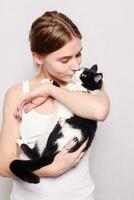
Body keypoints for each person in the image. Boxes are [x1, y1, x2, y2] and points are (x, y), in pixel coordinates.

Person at [0, 11, 110, 200]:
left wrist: (50, 90)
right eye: (65, 60)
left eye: (78, 54)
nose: (76, 65)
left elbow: (100, 111)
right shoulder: (18, 93)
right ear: (39, 57)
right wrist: (50, 170)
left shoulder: (88, 86)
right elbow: (4, 164)